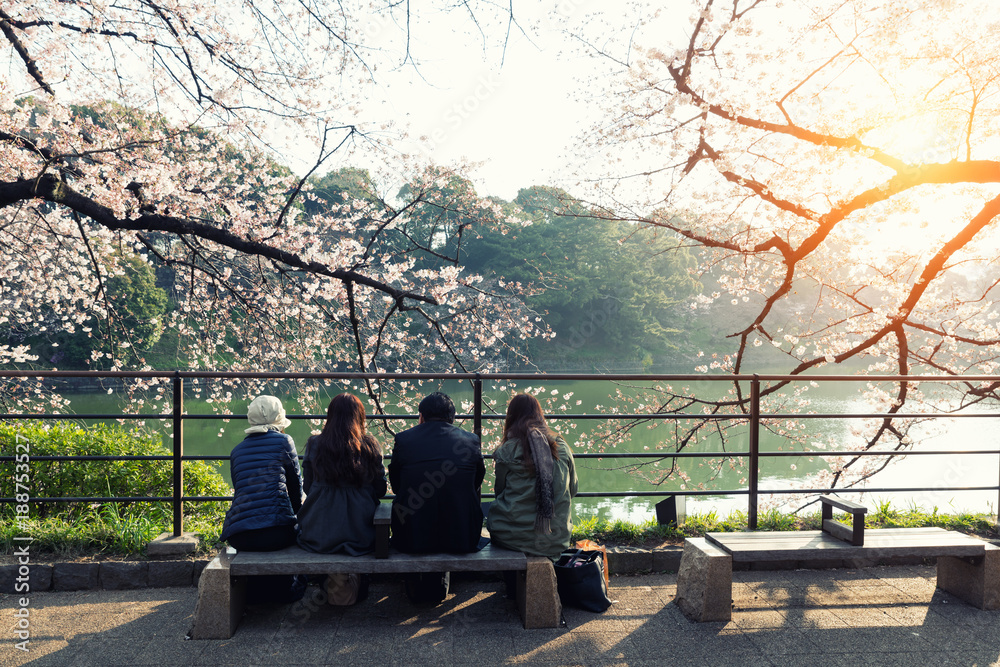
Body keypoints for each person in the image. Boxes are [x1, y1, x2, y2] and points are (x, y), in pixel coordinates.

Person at [388, 391, 486, 603]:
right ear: (452, 418)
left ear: (421, 416)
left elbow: (397, 486)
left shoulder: (404, 440)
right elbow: (476, 482)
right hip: (462, 536)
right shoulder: (470, 441)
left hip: (411, 535)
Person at [220, 395, 305, 602]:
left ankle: (256, 592)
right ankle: (289, 588)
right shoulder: (284, 441)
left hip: (239, 535)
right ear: (279, 418)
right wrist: (296, 520)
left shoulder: (237, 451)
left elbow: (240, 491)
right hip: (276, 533)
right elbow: (296, 488)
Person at [486, 393, 578, 561]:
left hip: (510, 537)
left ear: (511, 417)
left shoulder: (506, 450)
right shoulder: (562, 447)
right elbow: (572, 490)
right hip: (555, 537)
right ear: (539, 414)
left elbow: (499, 492)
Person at [297, 393, 387, 556]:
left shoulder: (314, 443)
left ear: (330, 416)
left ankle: (333, 581)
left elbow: (308, 487)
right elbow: (380, 490)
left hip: (319, 534)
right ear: (360, 416)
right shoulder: (370, 445)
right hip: (361, 534)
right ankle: (354, 579)